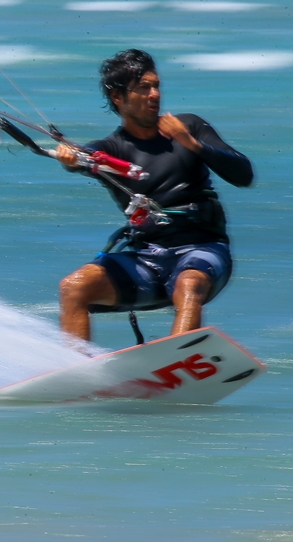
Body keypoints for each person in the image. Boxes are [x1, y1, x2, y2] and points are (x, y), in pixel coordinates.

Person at [56, 49, 253, 342]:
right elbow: (86, 157)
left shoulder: (189, 126)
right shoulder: (112, 151)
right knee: (74, 287)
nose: (154, 94)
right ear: (118, 97)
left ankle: (178, 360)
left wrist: (193, 144)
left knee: (188, 284)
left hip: (203, 250)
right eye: (143, 88)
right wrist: (70, 157)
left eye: (156, 85)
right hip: (146, 262)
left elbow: (244, 175)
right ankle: (77, 377)